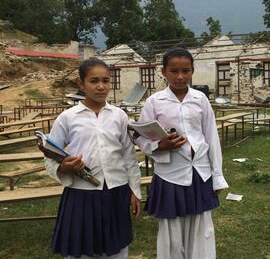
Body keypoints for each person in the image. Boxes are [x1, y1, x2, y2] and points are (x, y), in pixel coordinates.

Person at [136, 47, 228, 259]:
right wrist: (160, 146)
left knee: (201, 229)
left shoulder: (200, 99)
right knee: (172, 231)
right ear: (164, 72)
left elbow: (211, 137)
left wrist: (217, 177)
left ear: (192, 71)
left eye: (185, 71)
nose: (180, 76)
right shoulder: (154, 102)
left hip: (200, 172)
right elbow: (141, 136)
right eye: (174, 71)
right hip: (170, 174)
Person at [44, 59, 142, 259]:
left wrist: (135, 190)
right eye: (94, 81)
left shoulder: (119, 116)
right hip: (81, 194)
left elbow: (129, 156)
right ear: (81, 84)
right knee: (81, 249)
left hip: (116, 191)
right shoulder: (68, 118)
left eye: (106, 80)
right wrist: (64, 166)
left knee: (116, 248)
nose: (101, 86)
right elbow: (50, 156)